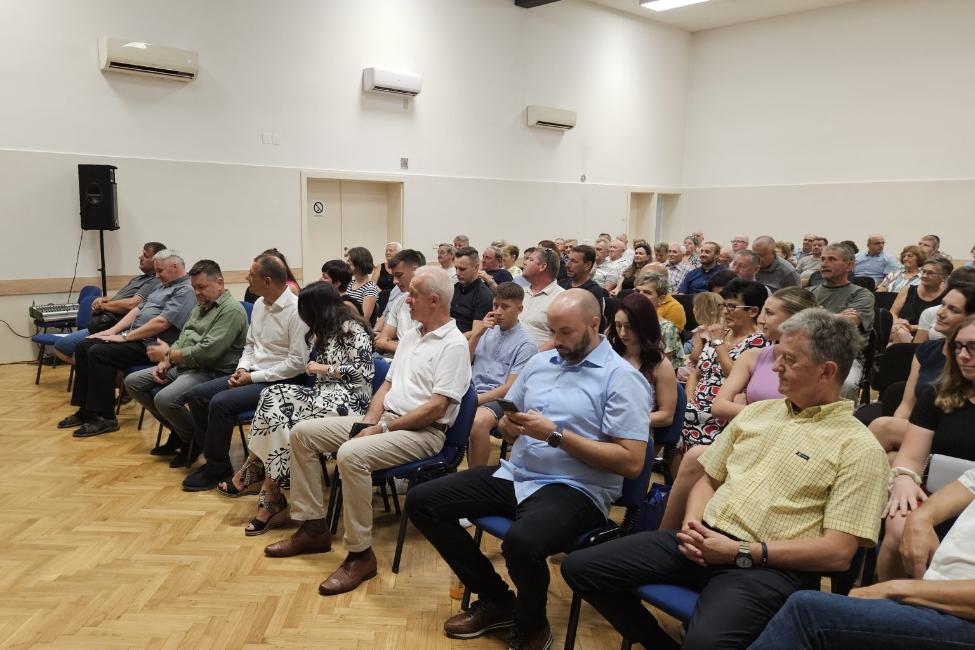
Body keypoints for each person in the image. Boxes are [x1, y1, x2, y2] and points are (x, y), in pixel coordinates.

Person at [561, 308, 889, 650]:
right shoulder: (759, 413)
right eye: (778, 356)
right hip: (705, 540)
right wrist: (692, 523)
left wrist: (740, 552)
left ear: (827, 371)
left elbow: (837, 553)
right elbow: (708, 478)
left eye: (789, 360)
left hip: (767, 567)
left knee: (705, 643)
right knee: (581, 567)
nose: (775, 367)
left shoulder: (858, 447)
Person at [406, 290, 652, 650]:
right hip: (520, 474)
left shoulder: (622, 378)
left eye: (566, 332)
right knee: (422, 501)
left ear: (594, 324)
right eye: (552, 331)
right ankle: (498, 600)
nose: (557, 341)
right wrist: (508, 426)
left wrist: (556, 435)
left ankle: (532, 624)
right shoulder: (542, 362)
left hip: (577, 487)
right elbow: (509, 422)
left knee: (522, 543)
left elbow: (631, 463)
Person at [263, 267, 471, 596]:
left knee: (351, 455)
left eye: (413, 294)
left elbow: (436, 408)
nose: (406, 299)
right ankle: (314, 527)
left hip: (424, 432)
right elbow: (386, 386)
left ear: (434, 300)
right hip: (388, 419)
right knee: (302, 434)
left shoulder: (454, 345)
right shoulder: (412, 335)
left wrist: (383, 427)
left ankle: (360, 555)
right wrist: (369, 422)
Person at [662, 286, 817, 531]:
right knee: (694, 453)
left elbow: (806, 418)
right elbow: (720, 405)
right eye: (763, 311)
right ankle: (669, 534)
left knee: (697, 455)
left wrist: (750, 408)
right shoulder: (756, 355)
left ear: (795, 319)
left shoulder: (812, 364)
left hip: (785, 443)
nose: (762, 319)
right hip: (748, 434)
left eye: (769, 313)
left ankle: (684, 531)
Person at [225, 281, 374, 535]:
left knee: (281, 407)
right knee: (272, 397)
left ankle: (264, 483)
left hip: (350, 402)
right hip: (325, 396)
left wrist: (324, 368)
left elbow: (365, 373)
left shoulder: (353, 328)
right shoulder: (325, 330)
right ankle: (266, 484)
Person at [178, 253, 310, 490]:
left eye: (251, 275)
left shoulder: (297, 311)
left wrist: (252, 377)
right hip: (255, 373)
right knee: (197, 395)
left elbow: (296, 364)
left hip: (284, 381)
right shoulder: (259, 304)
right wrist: (241, 369)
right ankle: (214, 461)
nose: (247, 278)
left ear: (267, 281)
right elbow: (250, 345)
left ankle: (217, 470)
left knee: (220, 403)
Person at [876, 315, 975, 581]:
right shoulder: (939, 394)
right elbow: (911, 456)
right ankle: (887, 601)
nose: (963, 355)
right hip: (932, 490)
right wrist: (904, 478)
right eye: (958, 347)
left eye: (972, 347)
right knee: (899, 527)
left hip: (969, 501)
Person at [58, 250, 197, 438]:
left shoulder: (185, 290)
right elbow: (137, 310)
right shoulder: (162, 285)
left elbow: (161, 323)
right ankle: (87, 410)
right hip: (137, 338)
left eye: (160, 271)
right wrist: (112, 331)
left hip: (155, 345)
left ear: (175, 267)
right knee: (84, 345)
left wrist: (126, 337)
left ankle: (105, 418)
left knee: (99, 352)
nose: (157, 275)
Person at [123, 260, 248, 463]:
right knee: (133, 382)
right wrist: (165, 361)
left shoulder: (231, 310)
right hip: (185, 365)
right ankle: (184, 435)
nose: (197, 293)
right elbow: (184, 338)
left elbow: (208, 353)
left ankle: (191, 440)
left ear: (220, 282)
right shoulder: (201, 305)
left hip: (211, 371)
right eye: (194, 287)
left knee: (165, 399)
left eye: (201, 287)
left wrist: (169, 355)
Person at [869, 283, 975, 456]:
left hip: (960, 436)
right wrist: (896, 438)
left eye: (953, 309)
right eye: (942, 304)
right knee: (891, 455)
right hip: (925, 428)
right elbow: (907, 405)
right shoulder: (927, 350)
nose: (940, 313)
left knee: (883, 428)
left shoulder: (967, 360)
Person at [681, 278, 770, 451]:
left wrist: (718, 343)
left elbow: (735, 377)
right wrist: (689, 400)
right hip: (695, 409)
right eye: (723, 306)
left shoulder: (759, 342)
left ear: (752, 311)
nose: (724, 312)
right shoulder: (722, 333)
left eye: (731, 307)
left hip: (723, 416)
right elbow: (697, 373)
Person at [53, 241, 166, 362]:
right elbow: (121, 298)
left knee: (62, 347)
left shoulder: (154, 281)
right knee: (72, 348)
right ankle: (90, 367)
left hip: (115, 326)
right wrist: (104, 299)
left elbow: (132, 304)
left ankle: (91, 368)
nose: (140, 257)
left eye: (145, 255)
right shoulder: (138, 279)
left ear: (156, 261)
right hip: (103, 324)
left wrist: (104, 306)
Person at [466, 282, 538, 468]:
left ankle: (475, 478)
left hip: (501, 399)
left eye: (505, 307)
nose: (498, 312)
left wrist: (475, 400)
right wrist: (476, 334)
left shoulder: (526, 344)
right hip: (472, 390)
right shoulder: (486, 331)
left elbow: (509, 388)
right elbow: (465, 363)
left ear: (519, 309)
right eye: (495, 305)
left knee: (478, 421)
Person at [811, 243, 875, 397]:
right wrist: (837, 316)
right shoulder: (809, 293)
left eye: (832, 259)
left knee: (846, 384)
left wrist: (814, 315)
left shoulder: (862, 294)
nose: (824, 264)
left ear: (849, 266)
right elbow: (793, 323)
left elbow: (848, 323)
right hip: (809, 352)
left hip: (844, 356)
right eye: (823, 259)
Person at [609, 292, 678, 430]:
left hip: (635, 430)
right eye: (618, 325)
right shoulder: (610, 355)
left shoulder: (660, 365)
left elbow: (666, 416)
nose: (622, 333)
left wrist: (624, 420)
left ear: (644, 326)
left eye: (629, 327)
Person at [373, 249, 424, 357]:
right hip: (395, 357)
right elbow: (383, 338)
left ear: (415, 271)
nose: (394, 281)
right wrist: (387, 343)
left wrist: (387, 344)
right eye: (393, 276)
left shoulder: (432, 304)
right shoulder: (400, 300)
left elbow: (421, 348)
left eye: (399, 275)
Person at [889, 257, 951, 343]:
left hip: (928, 337)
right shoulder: (908, 289)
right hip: (900, 329)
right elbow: (893, 312)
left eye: (930, 273)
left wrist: (912, 327)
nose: (924, 275)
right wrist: (898, 323)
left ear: (943, 277)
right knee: (900, 333)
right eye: (923, 271)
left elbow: (941, 324)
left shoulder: (947, 297)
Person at [633, 273, 686, 370]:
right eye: (637, 291)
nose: (639, 296)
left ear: (660, 299)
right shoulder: (627, 320)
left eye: (647, 293)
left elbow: (666, 367)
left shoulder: (667, 328)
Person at [519, 247, 565, 349]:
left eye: (530, 260)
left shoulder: (561, 298)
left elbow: (561, 336)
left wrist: (536, 356)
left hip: (540, 356)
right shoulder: (520, 292)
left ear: (542, 266)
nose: (524, 263)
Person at [450, 246, 493, 337]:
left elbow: (476, 333)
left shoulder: (484, 295)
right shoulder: (454, 288)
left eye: (462, 269)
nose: (457, 273)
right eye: (456, 268)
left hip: (464, 341)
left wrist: (452, 340)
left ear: (476, 267)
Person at [558, 244, 605, 318]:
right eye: (568, 260)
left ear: (587, 265)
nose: (567, 265)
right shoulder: (561, 284)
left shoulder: (593, 291)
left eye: (574, 261)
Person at [344, 247, 380, 324]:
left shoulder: (370, 288)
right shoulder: (349, 284)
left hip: (356, 327)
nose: (347, 264)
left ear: (359, 264)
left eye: (350, 262)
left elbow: (364, 319)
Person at [371, 241, 401, 317]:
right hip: (381, 299)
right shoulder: (379, 267)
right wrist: (383, 294)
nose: (387, 253)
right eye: (386, 251)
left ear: (398, 253)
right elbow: (372, 284)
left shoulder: (401, 267)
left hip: (397, 299)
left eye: (390, 250)